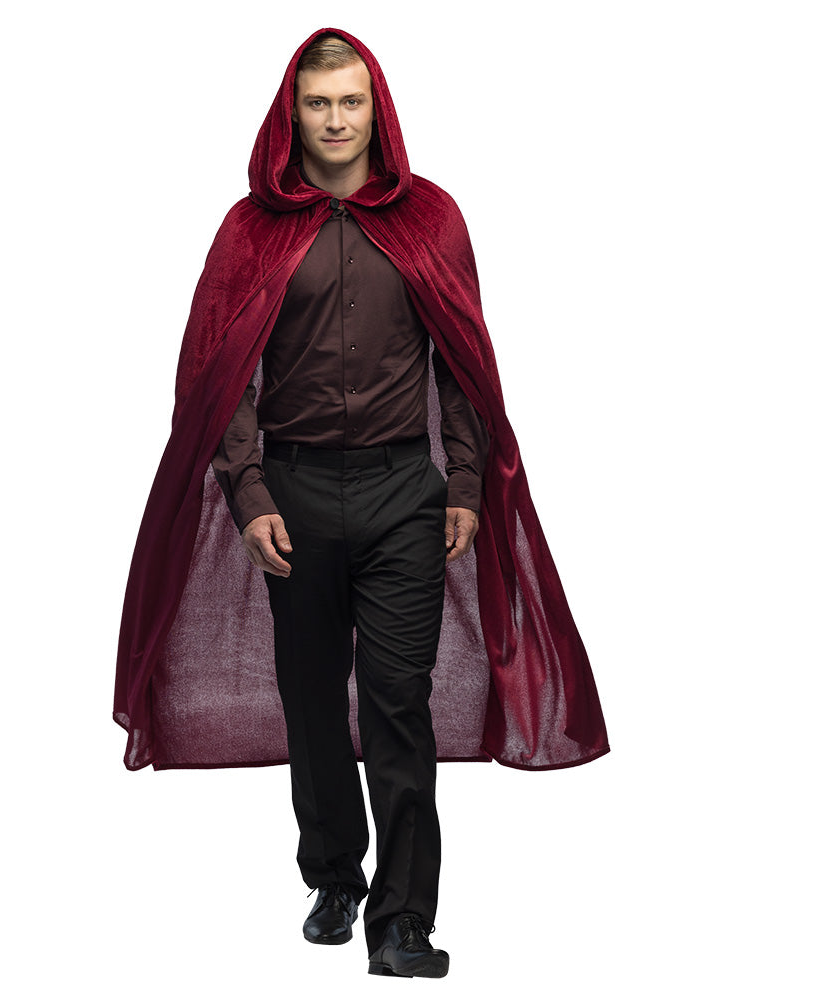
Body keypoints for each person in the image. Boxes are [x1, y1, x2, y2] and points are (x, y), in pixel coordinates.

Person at [113, 27, 610, 981]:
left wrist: (464, 481)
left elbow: (463, 360)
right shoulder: (249, 229)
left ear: (376, 109)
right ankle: (335, 876)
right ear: (291, 113)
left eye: (351, 102)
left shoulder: (432, 218)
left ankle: (404, 920)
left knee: (397, 703)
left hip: (403, 495)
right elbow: (218, 376)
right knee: (310, 698)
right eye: (318, 104)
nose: (336, 121)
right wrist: (249, 493)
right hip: (294, 495)